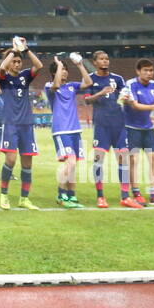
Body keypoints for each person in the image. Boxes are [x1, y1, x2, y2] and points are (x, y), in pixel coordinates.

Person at [81, 50, 135, 208]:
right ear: (95, 62)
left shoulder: (118, 79)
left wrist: (125, 98)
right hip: (102, 126)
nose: (105, 61)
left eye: (107, 59)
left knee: (123, 159)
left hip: (119, 124)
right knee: (98, 161)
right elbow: (87, 100)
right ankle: (100, 196)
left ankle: (125, 196)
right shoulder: (90, 79)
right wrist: (101, 92)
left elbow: (125, 95)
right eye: (102, 59)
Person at [0, 37, 44, 211]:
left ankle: (24, 199)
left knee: (27, 163)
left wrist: (26, 49)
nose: (17, 64)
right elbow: (2, 68)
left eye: (19, 62)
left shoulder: (25, 76)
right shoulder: (3, 78)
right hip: (10, 124)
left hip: (26, 125)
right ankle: (4, 195)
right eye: (14, 61)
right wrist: (14, 50)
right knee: (10, 159)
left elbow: (39, 66)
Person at [119, 59, 154, 207]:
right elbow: (135, 105)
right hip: (131, 128)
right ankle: (136, 193)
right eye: (145, 70)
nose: (149, 73)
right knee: (133, 161)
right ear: (138, 71)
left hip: (148, 128)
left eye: (151, 70)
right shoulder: (130, 85)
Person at [45, 52, 92, 208]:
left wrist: (79, 64)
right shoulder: (49, 86)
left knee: (73, 166)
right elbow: (56, 84)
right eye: (61, 69)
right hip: (61, 130)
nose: (64, 71)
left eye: (65, 69)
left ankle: (71, 197)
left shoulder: (72, 86)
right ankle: (61, 195)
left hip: (75, 130)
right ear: (54, 72)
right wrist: (58, 64)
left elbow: (89, 82)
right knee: (70, 163)